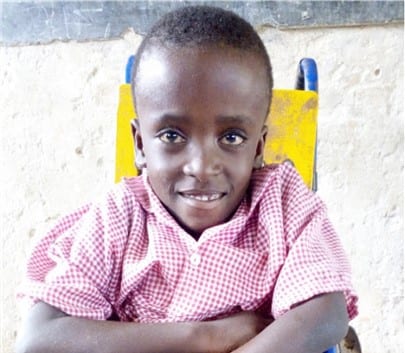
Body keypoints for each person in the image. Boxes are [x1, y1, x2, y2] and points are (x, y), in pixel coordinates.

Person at [16, 5, 358, 353]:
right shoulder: (119, 219)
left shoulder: (282, 205)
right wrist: (208, 336)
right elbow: (39, 339)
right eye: (172, 136)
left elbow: (327, 313)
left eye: (232, 138)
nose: (201, 166)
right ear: (139, 144)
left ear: (259, 147)